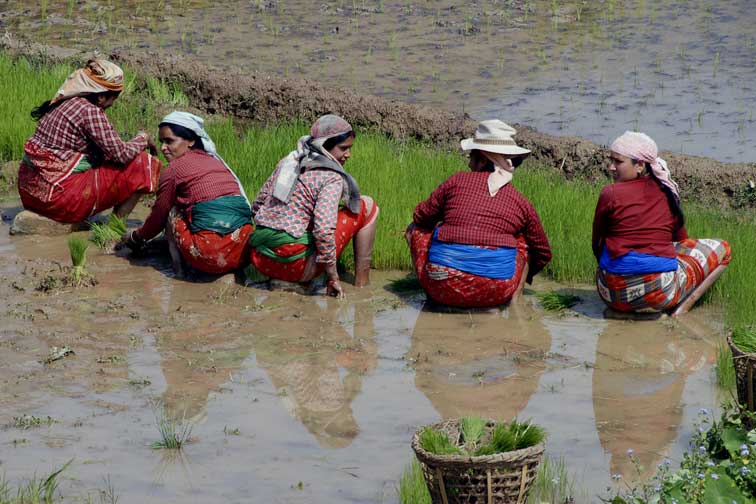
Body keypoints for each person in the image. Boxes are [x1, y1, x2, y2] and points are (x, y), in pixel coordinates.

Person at [406, 120, 552, 308]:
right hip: (497, 291)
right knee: (524, 242)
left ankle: (433, 298)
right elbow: (543, 251)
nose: (468, 164)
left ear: (482, 160)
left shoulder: (456, 181)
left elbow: (421, 217)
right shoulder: (521, 202)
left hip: (441, 286)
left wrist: (443, 224)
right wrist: (521, 273)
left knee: (415, 229)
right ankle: (515, 299)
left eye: (471, 157)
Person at [592, 131, 730, 316]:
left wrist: (616, 272)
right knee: (724, 249)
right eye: (612, 160)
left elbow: (597, 243)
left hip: (610, 294)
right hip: (659, 296)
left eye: (618, 161)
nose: (611, 167)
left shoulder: (609, 193)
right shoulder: (666, 192)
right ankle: (681, 310)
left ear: (640, 165)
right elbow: (682, 240)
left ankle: (627, 305)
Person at [249, 114, 379, 299]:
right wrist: (333, 277)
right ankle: (362, 284)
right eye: (343, 148)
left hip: (261, 260)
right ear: (325, 146)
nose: (348, 154)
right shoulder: (330, 177)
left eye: (350, 148)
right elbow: (323, 231)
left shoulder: (289, 162)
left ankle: (279, 276)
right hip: (297, 267)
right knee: (368, 206)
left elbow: (258, 205)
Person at [18, 59, 160, 224]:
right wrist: (144, 138)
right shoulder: (90, 111)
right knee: (143, 164)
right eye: (113, 98)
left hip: (29, 193)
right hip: (56, 201)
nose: (112, 104)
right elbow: (122, 155)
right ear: (100, 97)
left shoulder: (64, 103)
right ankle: (113, 229)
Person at [120, 112, 253, 276]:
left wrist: (136, 237)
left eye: (169, 141)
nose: (163, 148)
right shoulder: (215, 162)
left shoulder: (174, 169)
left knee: (172, 210)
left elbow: (158, 217)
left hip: (209, 256)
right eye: (161, 142)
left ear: (191, 141)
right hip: (243, 253)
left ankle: (180, 270)